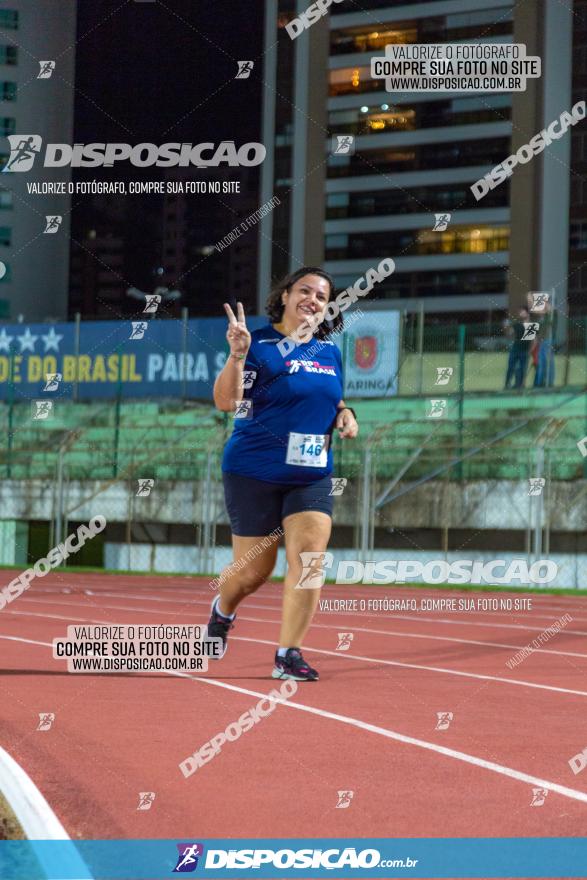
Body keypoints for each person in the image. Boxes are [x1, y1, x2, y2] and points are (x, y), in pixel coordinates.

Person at [207, 267, 359, 681]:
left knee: (310, 560)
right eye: (304, 290)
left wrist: (345, 413)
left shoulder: (330, 352)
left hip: (310, 474)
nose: (312, 299)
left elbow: (332, 396)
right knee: (254, 572)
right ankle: (222, 612)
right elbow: (226, 401)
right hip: (253, 470)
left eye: (321, 296)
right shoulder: (257, 343)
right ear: (286, 295)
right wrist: (237, 355)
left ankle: (288, 654)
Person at [504, 307, 532, 390]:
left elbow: (532, 340)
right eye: (520, 312)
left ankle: (519, 385)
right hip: (515, 349)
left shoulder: (531, 325)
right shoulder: (516, 324)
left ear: (527, 313)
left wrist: (530, 351)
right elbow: (509, 334)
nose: (520, 314)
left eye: (522, 312)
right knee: (511, 367)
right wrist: (506, 328)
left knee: (522, 369)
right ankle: (507, 384)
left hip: (525, 351)